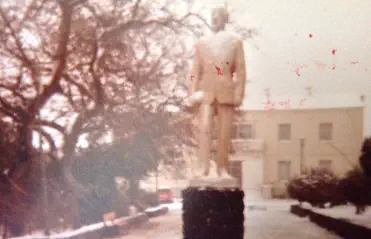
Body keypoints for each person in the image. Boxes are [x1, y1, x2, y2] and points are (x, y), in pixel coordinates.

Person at [187, 6, 246, 179]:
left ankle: (223, 169)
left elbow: (241, 71)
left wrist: (238, 94)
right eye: (212, 15)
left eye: (218, 15)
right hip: (206, 92)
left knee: (224, 133)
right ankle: (202, 168)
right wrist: (192, 92)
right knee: (204, 130)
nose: (214, 18)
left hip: (226, 91)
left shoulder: (235, 42)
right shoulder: (202, 43)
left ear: (225, 19)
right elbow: (195, 71)